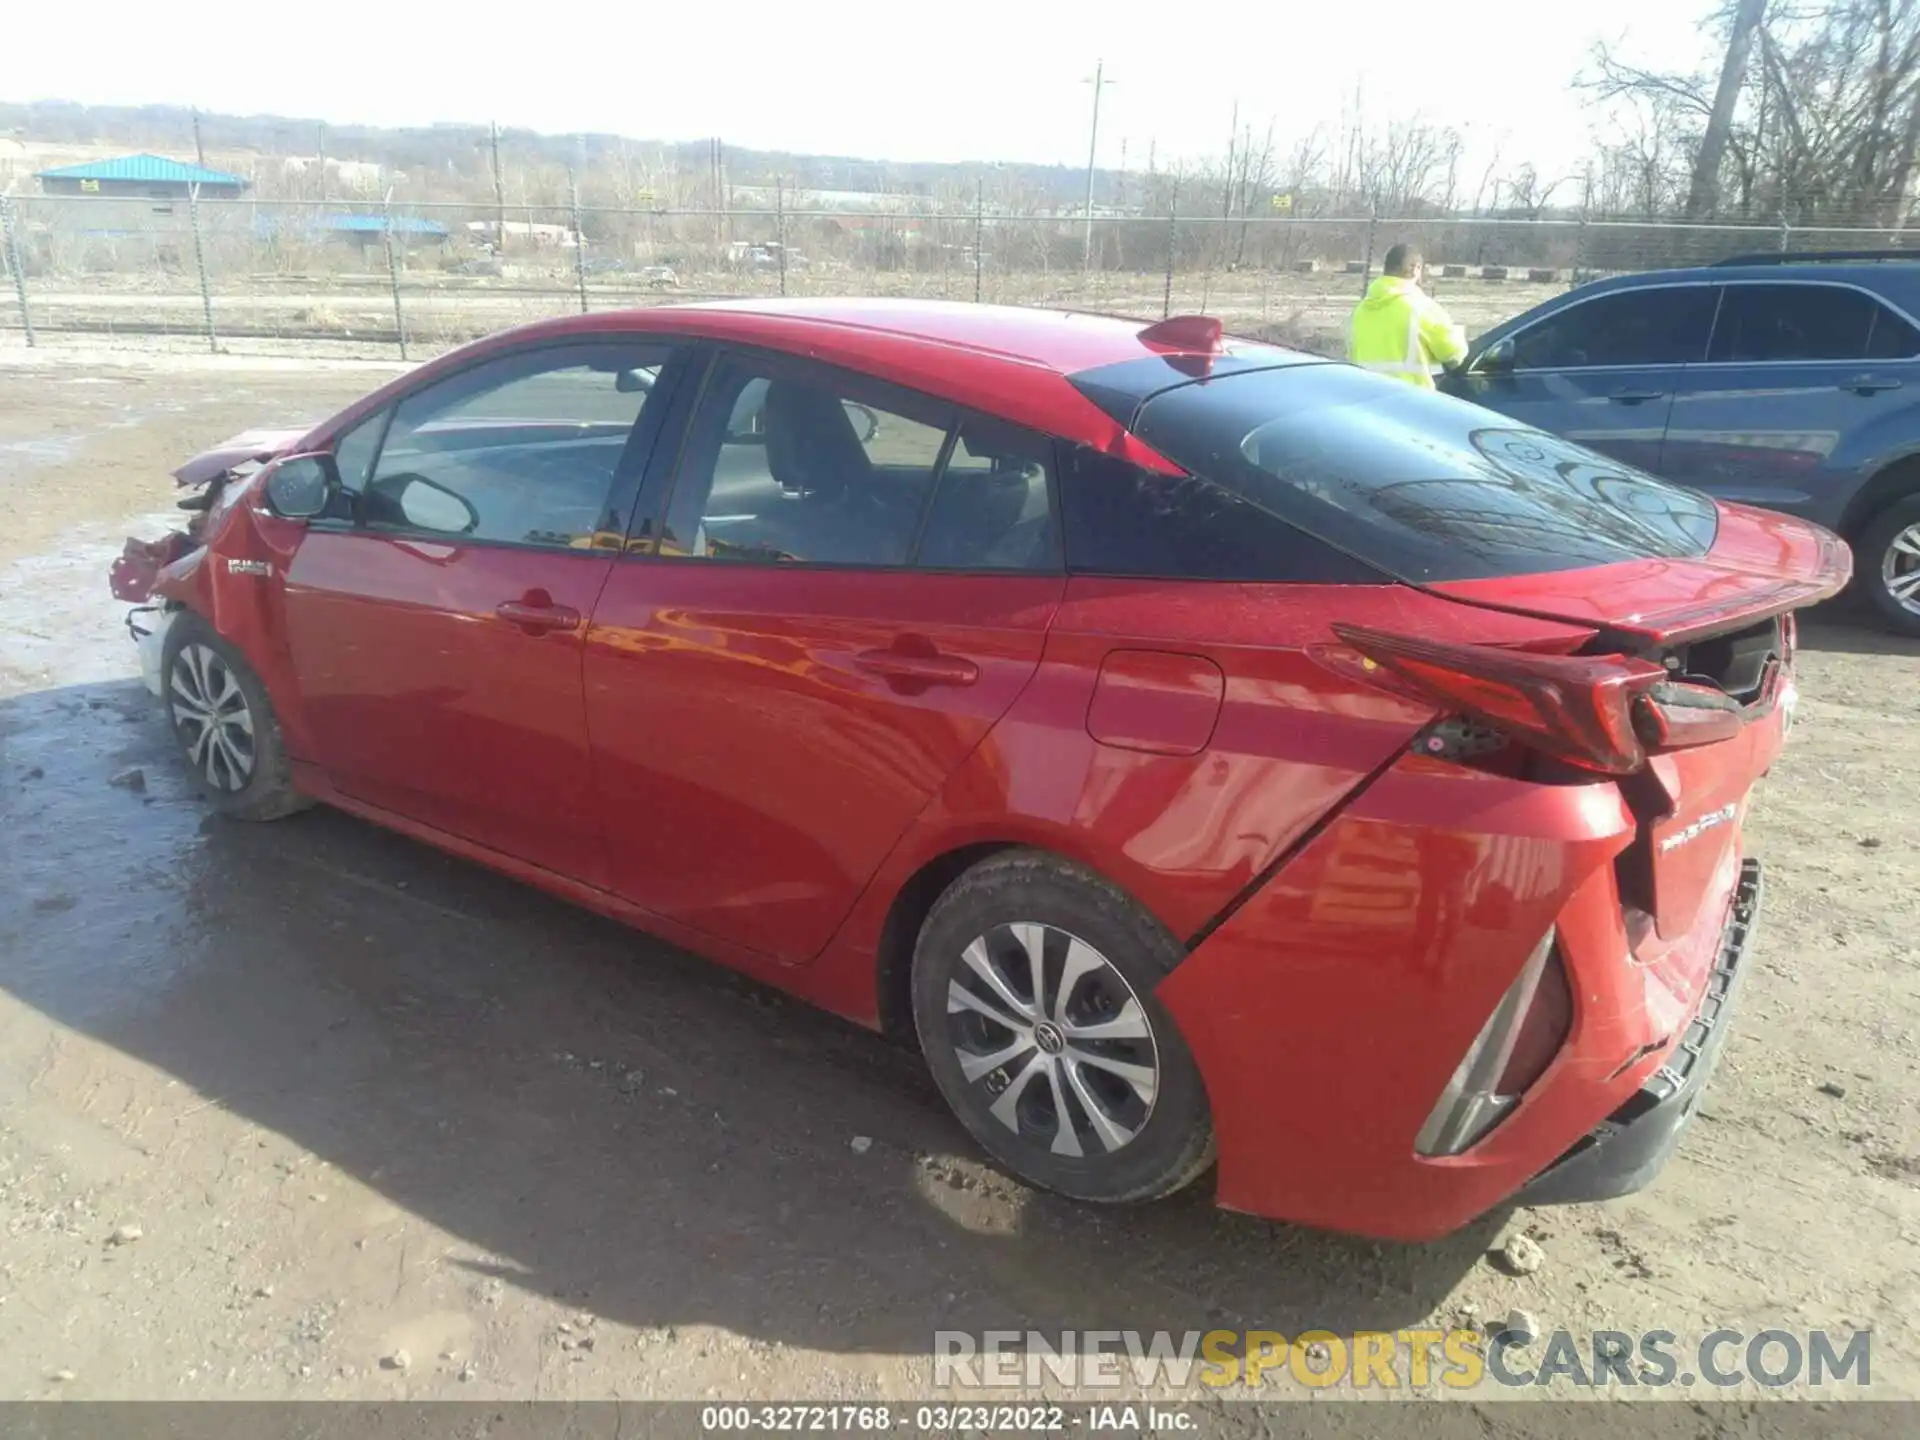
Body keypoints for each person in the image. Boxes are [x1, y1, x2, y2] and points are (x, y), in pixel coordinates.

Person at [1348, 243, 1468, 389]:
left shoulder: (1359, 311)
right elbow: (1452, 354)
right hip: (1411, 400)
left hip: (1367, 399)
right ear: (1414, 268)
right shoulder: (1422, 307)